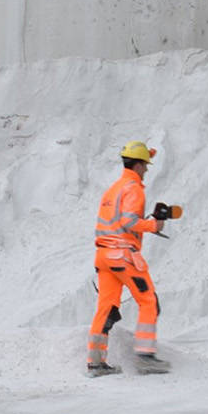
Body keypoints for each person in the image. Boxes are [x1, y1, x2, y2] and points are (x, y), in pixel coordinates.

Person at [87, 140, 172, 377]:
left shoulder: (113, 189)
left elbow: (117, 221)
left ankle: (95, 362)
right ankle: (145, 357)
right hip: (123, 255)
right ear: (137, 165)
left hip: (104, 256)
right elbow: (128, 221)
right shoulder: (133, 189)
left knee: (105, 309)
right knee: (148, 301)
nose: (146, 170)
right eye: (145, 165)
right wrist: (154, 224)